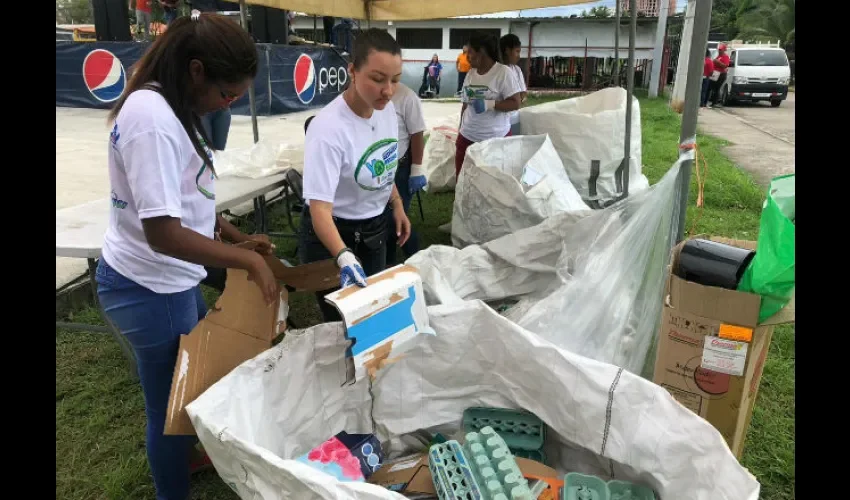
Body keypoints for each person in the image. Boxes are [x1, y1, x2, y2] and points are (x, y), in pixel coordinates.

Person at [95, 13, 276, 500]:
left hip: (170, 281)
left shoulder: (174, 106)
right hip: (149, 286)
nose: (227, 106)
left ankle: (187, 453)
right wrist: (249, 263)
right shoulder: (152, 120)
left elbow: (187, 197)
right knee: (168, 410)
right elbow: (164, 233)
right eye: (226, 95)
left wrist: (237, 238)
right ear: (197, 70)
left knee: (194, 380)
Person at [299, 28, 411, 322]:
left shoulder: (386, 111)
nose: (388, 90)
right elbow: (319, 209)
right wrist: (343, 255)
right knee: (343, 325)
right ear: (352, 70)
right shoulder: (328, 129)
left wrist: (396, 203)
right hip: (332, 235)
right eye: (377, 79)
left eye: (395, 81)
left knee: (374, 314)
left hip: (374, 230)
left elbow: (384, 164)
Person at [455, 32, 523, 178]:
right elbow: (465, 105)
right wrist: (460, 130)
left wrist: (489, 104)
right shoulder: (471, 74)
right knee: (463, 181)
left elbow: (516, 103)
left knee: (492, 184)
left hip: (494, 140)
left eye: (470, 52)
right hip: (467, 137)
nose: (467, 57)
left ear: (482, 52)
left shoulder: (503, 73)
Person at [387, 82, 426, 264]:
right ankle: (386, 264)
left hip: (400, 169)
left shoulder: (407, 97)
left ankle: (417, 262)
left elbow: (417, 135)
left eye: (394, 78)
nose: (388, 87)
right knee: (384, 223)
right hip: (377, 170)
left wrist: (416, 170)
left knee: (396, 221)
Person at [499, 33, 527, 135]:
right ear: (507, 50)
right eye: (517, 51)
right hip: (497, 123)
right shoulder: (495, 71)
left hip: (513, 119)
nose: (519, 56)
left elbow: (523, 92)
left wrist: (521, 98)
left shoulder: (516, 70)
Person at [708, 43, 731, 108]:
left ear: (724, 50)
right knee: (712, 87)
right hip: (715, 74)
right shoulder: (718, 56)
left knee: (716, 88)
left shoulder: (725, 57)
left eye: (721, 50)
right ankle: (712, 101)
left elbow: (725, 65)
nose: (719, 51)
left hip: (721, 74)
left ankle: (714, 103)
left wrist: (717, 62)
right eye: (719, 49)